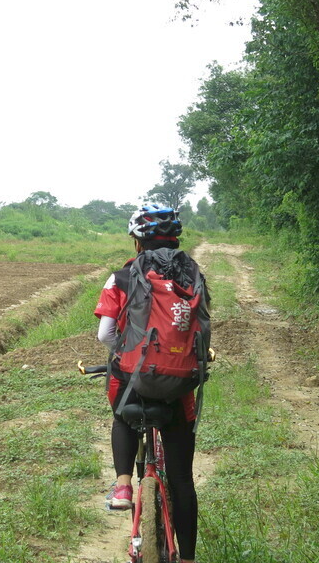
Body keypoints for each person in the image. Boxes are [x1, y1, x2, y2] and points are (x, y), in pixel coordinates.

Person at [94, 204, 205, 563]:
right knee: (183, 481)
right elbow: (200, 329)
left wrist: (127, 352)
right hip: (178, 388)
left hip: (137, 384)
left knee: (122, 409)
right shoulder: (193, 274)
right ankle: (187, 558)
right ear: (175, 238)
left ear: (137, 242)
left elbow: (105, 334)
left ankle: (124, 484)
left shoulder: (122, 277)